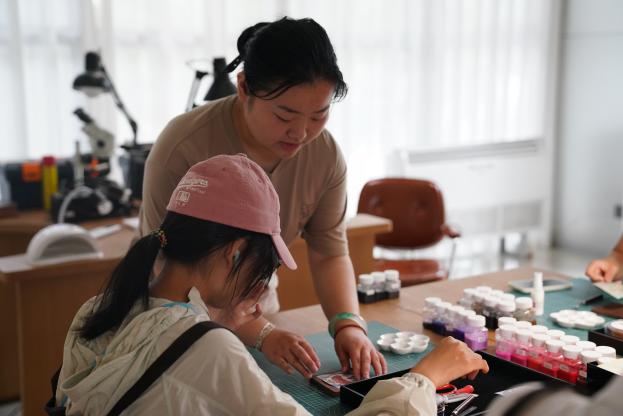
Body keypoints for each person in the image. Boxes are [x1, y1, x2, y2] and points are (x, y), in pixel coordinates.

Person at [54, 154, 489, 415]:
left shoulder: (99, 309)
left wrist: (225, 320)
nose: (259, 298)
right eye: (263, 273)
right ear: (235, 253)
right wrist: (424, 379)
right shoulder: (208, 349)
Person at [139, 17, 382, 380]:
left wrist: (348, 324)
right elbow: (168, 269)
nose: (301, 132)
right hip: (177, 320)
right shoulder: (184, 145)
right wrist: (260, 332)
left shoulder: (325, 156)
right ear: (243, 88)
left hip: (258, 308)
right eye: (284, 115)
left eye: (319, 115)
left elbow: (330, 251)